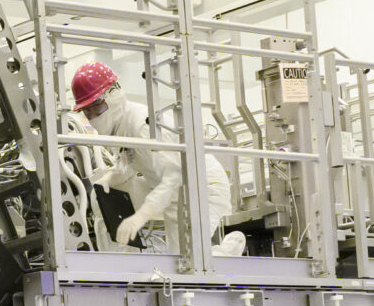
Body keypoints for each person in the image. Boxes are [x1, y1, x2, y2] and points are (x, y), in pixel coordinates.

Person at [71, 62, 246, 256]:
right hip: (168, 191)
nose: (93, 116)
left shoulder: (141, 124)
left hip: (201, 189)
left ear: (114, 95)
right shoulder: (120, 125)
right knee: (103, 193)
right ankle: (122, 259)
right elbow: (130, 162)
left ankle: (228, 252)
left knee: (188, 260)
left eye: (97, 108)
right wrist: (114, 176)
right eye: (88, 112)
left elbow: (174, 176)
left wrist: (139, 217)